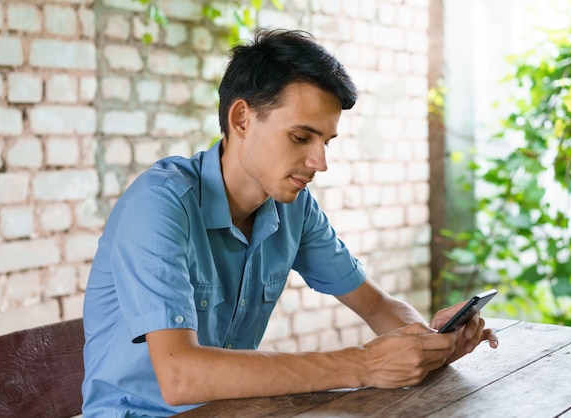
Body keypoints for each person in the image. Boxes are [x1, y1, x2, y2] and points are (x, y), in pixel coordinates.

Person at [81, 28, 498, 417]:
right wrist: (364, 364)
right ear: (241, 119)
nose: (320, 162)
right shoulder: (160, 204)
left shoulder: (292, 206)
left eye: (326, 142)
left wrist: (432, 342)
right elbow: (180, 376)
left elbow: (376, 305)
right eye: (301, 138)